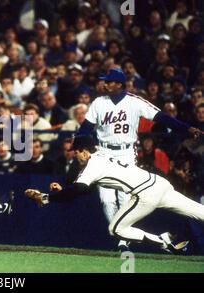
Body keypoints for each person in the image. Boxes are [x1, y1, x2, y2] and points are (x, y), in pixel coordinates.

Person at [77, 68, 202, 252]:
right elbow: (84, 129)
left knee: (126, 196)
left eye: (109, 81)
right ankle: (122, 236)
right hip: (103, 152)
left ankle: (122, 242)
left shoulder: (134, 102)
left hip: (126, 153)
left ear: (119, 84)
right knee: (106, 200)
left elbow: (162, 117)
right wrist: (79, 149)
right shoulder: (98, 103)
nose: (104, 84)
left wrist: (185, 129)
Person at [25, 136, 204, 253]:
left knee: (115, 229)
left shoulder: (92, 164)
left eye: (77, 152)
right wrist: (62, 192)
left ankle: (163, 241)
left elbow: (79, 189)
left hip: (145, 192)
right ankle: (164, 241)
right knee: (198, 211)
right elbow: (84, 189)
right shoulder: (103, 155)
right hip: (160, 184)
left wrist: (48, 197)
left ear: (85, 151)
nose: (75, 156)